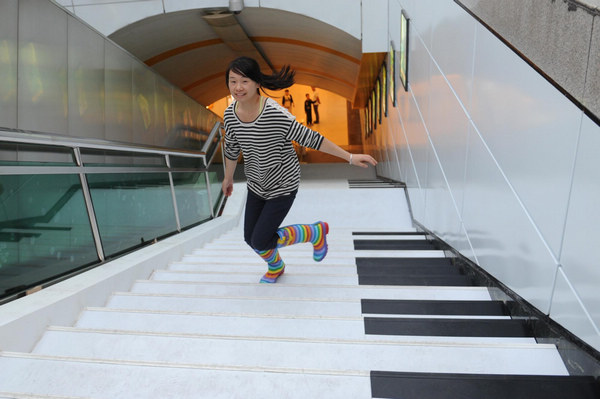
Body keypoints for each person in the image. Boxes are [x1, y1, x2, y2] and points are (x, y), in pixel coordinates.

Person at [221, 56, 377, 284]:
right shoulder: (230, 115)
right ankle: (277, 266)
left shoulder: (274, 114)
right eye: (232, 81)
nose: (238, 87)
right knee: (251, 238)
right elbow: (232, 148)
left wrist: (350, 157)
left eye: (244, 81)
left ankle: (314, 233)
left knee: (261, 239)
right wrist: (228, 178)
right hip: (257, 183)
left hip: (283, 184)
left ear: (256, 83)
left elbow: (311, 138)